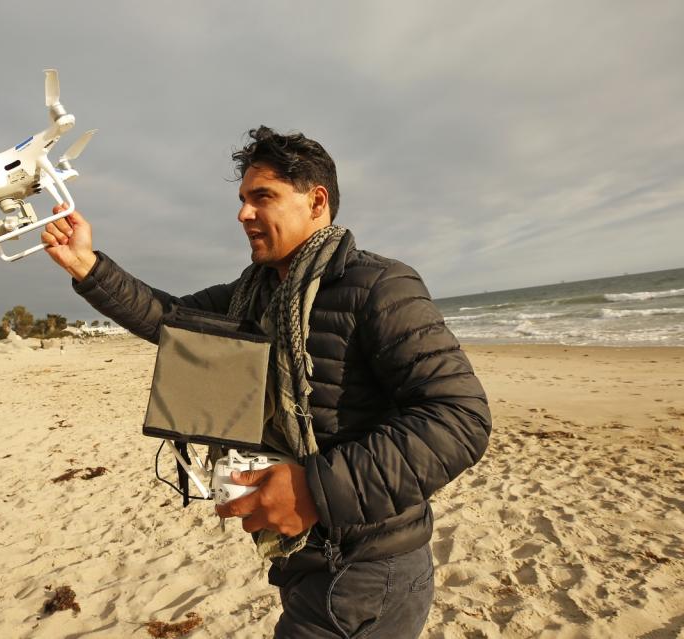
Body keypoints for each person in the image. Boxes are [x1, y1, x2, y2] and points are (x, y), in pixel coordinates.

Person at [41, 126, 491, 638]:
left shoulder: (380, 286)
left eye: (263, 197)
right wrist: (87, 266)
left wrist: (314, 491)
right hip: (302, 560)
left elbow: (459, 418)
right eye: (242, 199)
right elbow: (172, 321)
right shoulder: (252, 294)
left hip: (370, 568)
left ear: (316, 201)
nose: (243, 214)